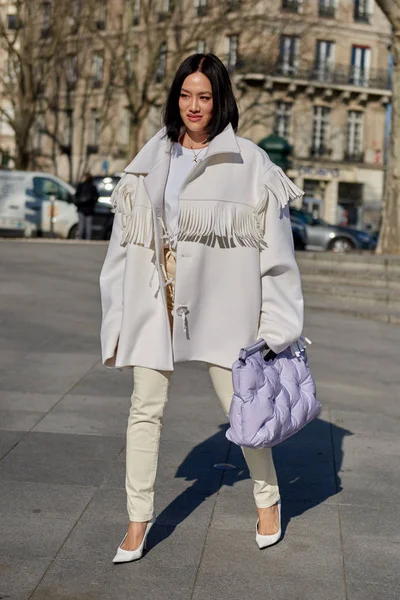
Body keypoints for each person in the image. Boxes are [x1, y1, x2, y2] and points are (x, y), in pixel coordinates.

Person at [99, 53, 304, 563]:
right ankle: (137, 520)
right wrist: (116, 322)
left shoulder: (251, 163)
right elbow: (121, 249)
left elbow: (277, 254)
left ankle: (268, 498)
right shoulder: (150, 160)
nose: (194, 106)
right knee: (144, 408)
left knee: (243, 408)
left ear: (220, 101)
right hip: (157, 299)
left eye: (205, 96)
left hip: (221, 303)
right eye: (186, 95)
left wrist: (275, 327)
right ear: (176, 99)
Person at [74, 172, 98, 240]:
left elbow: (76, 196)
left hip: (81, 208)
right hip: (90, 209)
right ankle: (88, 239)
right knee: (88, 226)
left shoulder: (81, 186)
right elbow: (96, 197)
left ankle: (79, 238)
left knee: (81, 225)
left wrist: (78, 203)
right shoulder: (93, 187)